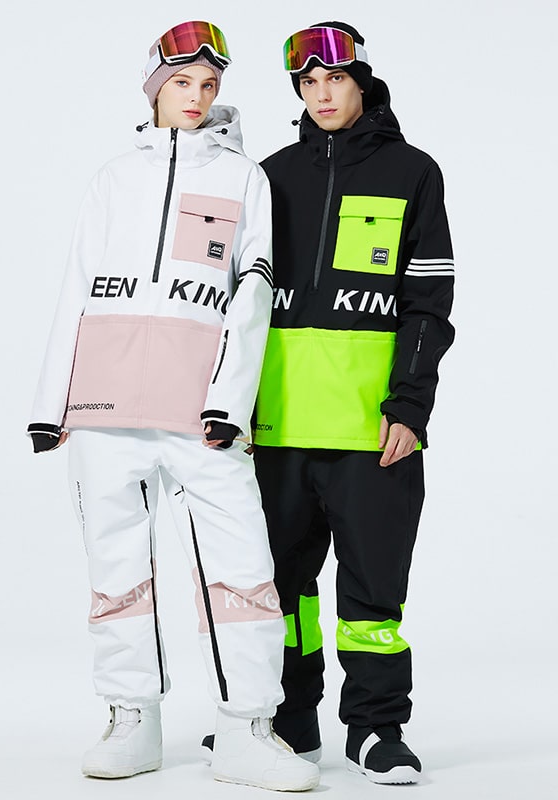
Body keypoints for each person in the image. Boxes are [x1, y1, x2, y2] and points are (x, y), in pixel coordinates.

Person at [26, 20, 319, 792]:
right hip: (105, 406)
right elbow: (77, 283)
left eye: (209, 85)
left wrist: (229, 400)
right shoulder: (114, 177)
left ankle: (247, 728)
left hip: (202, 413)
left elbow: (253, 292)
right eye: (183, 83)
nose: (196, 96)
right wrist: (51, 402)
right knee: (115, 565)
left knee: (242, 566)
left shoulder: (243, 178)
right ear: (155, 87)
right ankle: (133, 718)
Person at [250, 21, 455, 785]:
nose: (322, 94)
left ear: (361, 80)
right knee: (280, 591)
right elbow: (240, 306)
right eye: (308, 83)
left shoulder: (413, 172)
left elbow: (429, 303)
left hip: (373, 430)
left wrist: (410, 406)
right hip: (277, 427)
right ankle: (289, 719)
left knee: (372, 595)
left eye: (334, 79)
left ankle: (375, 729)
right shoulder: (268, 177)